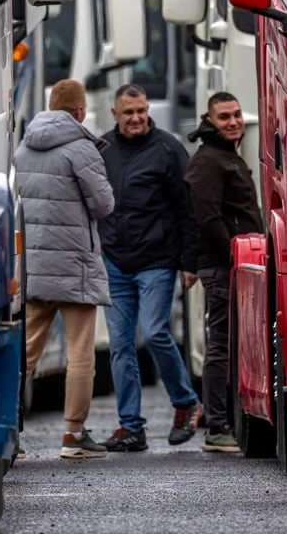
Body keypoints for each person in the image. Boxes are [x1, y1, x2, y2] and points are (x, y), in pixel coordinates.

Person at [14, 79, 116, 459]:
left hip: (36, 265)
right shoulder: (79, 147)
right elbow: (103, 203)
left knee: (24, 353)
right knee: (80, 354)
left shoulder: (24, 146)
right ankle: (73, 436)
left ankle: (9, 432)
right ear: (78, 111)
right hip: (75, 264)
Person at [97, 84, 203, 452]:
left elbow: (188, 209)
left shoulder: (168, 149)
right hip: (115, 262)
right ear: (114, 114)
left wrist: (190, 262)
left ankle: (186, 402)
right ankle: (131, 427)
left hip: (157, 261)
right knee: (121, 346)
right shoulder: (102, 150)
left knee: (156, 332)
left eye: (141, 110)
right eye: (128, 112)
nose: (137, 118)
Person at [184, 92, 264, 453]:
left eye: (235, 115)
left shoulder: (224, 156)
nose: (232, 122)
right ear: (209, 120)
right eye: (223, 117)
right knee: (220, 344)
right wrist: (235, 252)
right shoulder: (208, 161)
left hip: (235, 263)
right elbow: (206, 216)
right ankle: (217, 426)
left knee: (231, 344)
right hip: (223, 266)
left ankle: (225, 419)